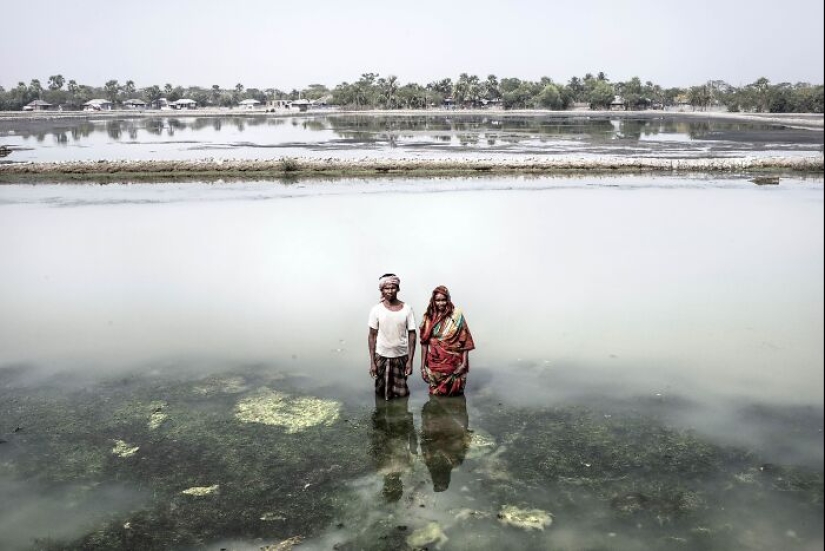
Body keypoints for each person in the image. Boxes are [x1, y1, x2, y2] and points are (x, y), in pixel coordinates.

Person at [419, 285, 475, 396]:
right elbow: (424, 343)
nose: (441, 303)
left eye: (443, 300)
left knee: (456, 401)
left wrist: (463, 364)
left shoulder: (457, 316)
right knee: (436, 397)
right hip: (435, 364)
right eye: (438, 300)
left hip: (455, 365)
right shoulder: (428, 317)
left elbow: (465, 340)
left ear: (448, 300)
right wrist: (422, 368)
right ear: (433, 301)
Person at [368, 274, 416, 400]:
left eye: (393, 288)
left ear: (398, 289)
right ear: (382, 290)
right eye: (386, 288)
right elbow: (372, 336)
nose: (390, 291)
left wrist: (410, 361)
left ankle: (401, 417)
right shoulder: (376, 310)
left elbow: (412, 334)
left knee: (401, 393)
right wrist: (372, 362)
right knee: (380, 392)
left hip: (401, 357)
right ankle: (381, 417)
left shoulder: (407, 309)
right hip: (381, 356)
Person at [420, 394, 470, 492]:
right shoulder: (454, 462)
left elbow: (424, 442)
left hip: (445, 429)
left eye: (437, 480)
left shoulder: (431, 460)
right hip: (447, 427)